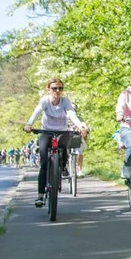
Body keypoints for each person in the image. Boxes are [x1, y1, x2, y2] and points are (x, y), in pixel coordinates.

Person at [24, 78, 89, 207]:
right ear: (49, 90)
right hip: (46, 131)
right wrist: (29, 124)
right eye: (54, 88)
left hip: (62, 131)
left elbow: (71, 114)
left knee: (64, 146)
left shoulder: (65, 101)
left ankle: (63, 166)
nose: (57, 91)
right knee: (43, 163)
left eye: (60, 88)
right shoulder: (45, 101)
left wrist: (80, 127)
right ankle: (40, 196)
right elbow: (36, 112)